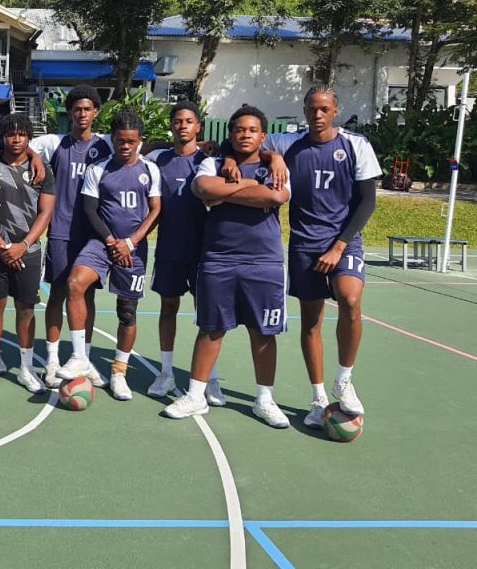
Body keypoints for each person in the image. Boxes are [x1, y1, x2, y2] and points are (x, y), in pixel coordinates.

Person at [255, 88, 380, 425]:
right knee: (311, 321)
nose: (318, 115)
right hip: (304, 245)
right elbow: (249, 144)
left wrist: (339, 246)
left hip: (343, 241)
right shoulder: (288, 143)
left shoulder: (356, 145)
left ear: (335, 110)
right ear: (305, 110)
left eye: (324, 109)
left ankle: (344, 379)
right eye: (312, 109)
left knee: (350, 300)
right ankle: (318, 398)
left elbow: (367, 202)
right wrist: (273, 157)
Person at [164, 106, 292, 428]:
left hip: (264, 261)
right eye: (239, 130)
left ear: (263, 136)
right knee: (211, 329)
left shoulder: (275, 166)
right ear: (230, 134)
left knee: (263, 333)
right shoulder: (213, 163)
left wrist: (228, 192)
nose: (245, 135)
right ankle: (196, 395)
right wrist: (251, 189)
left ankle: (265, 400)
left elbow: (277, 198)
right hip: (218, 258)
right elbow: (204, 189)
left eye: (252, 130)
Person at [67, 111, 161, 400]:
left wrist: (131, 242)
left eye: (131, 141)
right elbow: (89, 209)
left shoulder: (150, 169)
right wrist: (111, 241)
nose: (125, 146)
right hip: (102, 243)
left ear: (140, 140)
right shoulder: (99, 169)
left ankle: (119, 372)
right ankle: (80, 357)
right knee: (75, 284)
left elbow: (156, 209)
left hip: (133, 248)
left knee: (127, 311)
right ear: (113, 139)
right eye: (120, 141)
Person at [29, 85, 113, 388]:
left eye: (87, 109)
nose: (82, 114)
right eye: (77, 109)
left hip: (93, 235)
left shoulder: (107, 145)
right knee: (58, 294)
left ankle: (83, 358)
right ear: (70, 112)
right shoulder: (55, 143)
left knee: (87, 296)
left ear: (96, 112)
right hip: (62, 231)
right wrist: (35, 158)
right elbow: (19, 143)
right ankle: (52, 360)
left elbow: (142, 145)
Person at [143, 101, 224, 405]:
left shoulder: (211, 162)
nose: (183, 126)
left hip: (205, 250)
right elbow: (140, 146)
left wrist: (203, 148)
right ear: (171, 125)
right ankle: (166, 373)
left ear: (198, 126)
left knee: (208, 315)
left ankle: (210, 379)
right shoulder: (158, 159)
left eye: (189, 121)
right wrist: (168, 144)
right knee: (168, 308)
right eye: (177, 121)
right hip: (169, 247)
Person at [0, 113, 56, 393]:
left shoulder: (42, 169)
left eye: (22, 134)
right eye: (11, 134)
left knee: (26, 309)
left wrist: (24, 245)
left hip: (28, 252)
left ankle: (26, 368)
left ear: (29, 137)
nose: (16, 139)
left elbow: (46, 212)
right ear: (3, 137)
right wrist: (2, 246)